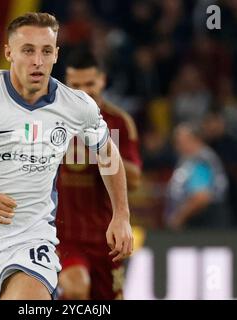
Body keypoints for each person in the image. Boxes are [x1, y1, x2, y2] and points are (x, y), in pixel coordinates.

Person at [0, 12, 133, 300]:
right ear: (9, 52)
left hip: (32, 240)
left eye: (46, 51)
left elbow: (108, 153)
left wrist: (121, 215)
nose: (38, 61)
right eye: (28, 50)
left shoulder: (76, 106)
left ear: (56, 54)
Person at [56, 50, 142, 300]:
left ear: (102, 81)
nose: (83, 91)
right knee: (75, 289)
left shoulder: (119, 122)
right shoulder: (52, 120)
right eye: (75, 85)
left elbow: (135, 179)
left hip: (107, 239)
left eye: (90, 84)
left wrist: (99, 153)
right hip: (64, 237)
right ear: (65, 84)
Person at [165, 122, 230, 230]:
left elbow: (201, 196)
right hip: (198, 223)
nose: (177, 147)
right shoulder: (188, 158)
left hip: (204, 226)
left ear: (194, 139)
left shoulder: (200, 159)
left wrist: (178, 218)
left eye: (180, 142)